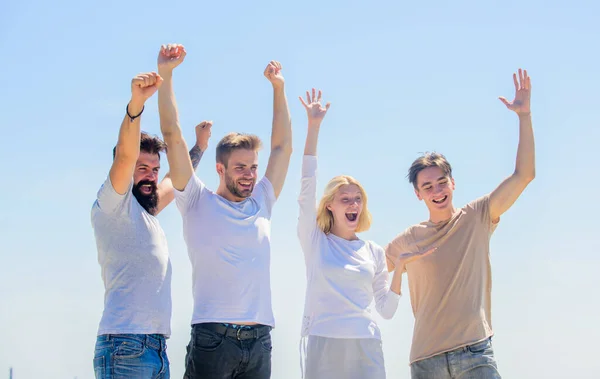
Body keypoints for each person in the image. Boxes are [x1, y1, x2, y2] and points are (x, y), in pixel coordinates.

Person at [385, 69, 535, 379]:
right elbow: (363, 265)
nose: (437, 191)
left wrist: (524, 116)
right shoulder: (409, 239)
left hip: (474, 354)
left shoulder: (478, 216)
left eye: (442, 183)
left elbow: (524, 175)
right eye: (428, 187)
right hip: (425, 362)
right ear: (418, 194)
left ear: (453, 183)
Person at [156, 43, 293, 379]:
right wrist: (166, 75)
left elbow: (282, 147)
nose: (249, 174)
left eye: (253, 167)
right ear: (220, 168)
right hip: (213, 339)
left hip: (260, 340)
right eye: (241, 167)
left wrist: (279, 88)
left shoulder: (263, 199)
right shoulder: (196, 200)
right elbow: (172, 136)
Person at [91, 71, 211, 379]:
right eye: (142, 168)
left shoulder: (147, 211)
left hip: (155, 346)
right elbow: (125, 155)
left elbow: (174, 180)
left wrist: (199, 147)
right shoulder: (113, 204)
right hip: (124, 345)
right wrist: (136, 105)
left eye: (154, 169)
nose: (151, 175)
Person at [297, 88, 409, 379]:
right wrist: (314, 126)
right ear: (330, 206)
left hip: (366, 344)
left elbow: (385, 310)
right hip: (324, 341)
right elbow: (307, 186)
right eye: (345, 199)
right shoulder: (315, 241)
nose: (353, 204)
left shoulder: (373, 251)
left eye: (357, 199)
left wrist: (400, 272)